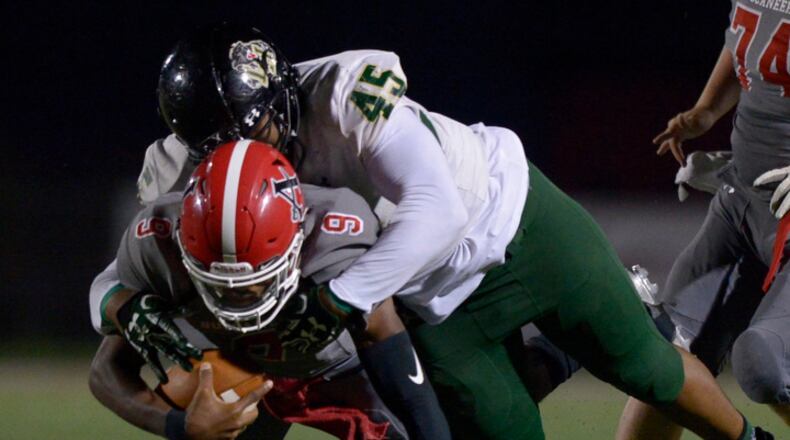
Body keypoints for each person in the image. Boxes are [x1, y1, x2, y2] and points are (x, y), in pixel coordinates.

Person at [96, 23, 775, 439]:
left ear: (280, 101)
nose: (235, 157)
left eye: (254, 132)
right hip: (424, 297)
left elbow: (439, 210)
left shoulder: (344, 96)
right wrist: (128, 311)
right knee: (502, 429)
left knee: (649, 370)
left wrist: (337, 300)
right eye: (212, 147)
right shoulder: (184, 168)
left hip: (510, 219)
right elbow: (122, 272)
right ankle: (565, 354)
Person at [89, 141, 448, 440]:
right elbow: (105, 370)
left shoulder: (335, 236)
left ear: (299, 241)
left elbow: (389, 346)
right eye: (216, 282)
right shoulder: (157, 243)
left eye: (256, 279)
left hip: (341, 371)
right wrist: (180, 427)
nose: (236, 298)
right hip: (244, 373)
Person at [617, 0, 790, 438]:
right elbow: (745, 40)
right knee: (664, 357)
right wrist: (708, 109)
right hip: (743, 204)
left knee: (765, 364)